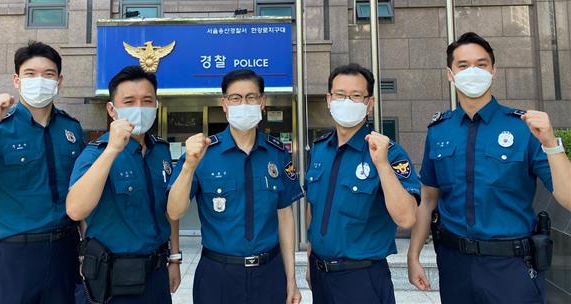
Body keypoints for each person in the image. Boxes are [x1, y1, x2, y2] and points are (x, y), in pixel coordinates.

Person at [407, 32, 571, 303]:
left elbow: (567, 196)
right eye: (463, 65)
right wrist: (413, 256)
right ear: (450, 74)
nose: (473, 71)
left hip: (511, 268)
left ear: (493, 71)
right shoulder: (439, 131)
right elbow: (428, 200)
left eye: (481, 65)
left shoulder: (524, 128)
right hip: (455, 266)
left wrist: (552, 144)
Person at [0, 41, 85, 304]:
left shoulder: (72, 130)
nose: (40, 81)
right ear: (17, 80)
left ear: (59, 81)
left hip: (65, 252)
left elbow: (81, 191)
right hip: (15, 254)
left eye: (48, 74)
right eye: (30, 74)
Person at [167, 69, 303, 304]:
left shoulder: (277, 154)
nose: (244, 103)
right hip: (218, 274)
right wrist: (188, 166)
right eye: (235, 98)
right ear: (224, 104)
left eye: (251, 97)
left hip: (269, 272)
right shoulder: (203, 153)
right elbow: (174, 211)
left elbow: (285, 216)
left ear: (262, 102)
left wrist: (291, 278)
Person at [305, 63, 420, 304]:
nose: (346, 102)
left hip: (362, 278)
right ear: (328, 99)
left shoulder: (389, 153)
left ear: (370, 102)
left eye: (356, 96)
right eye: (339, 95)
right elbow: (313, 210)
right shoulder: (319, 150)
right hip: (320, 275)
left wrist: (383, 165)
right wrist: (309, 259)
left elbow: (407, 218)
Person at [67, 65, 180, 304]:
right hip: (114, 278)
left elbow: (169, 209)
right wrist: (113, 150)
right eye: (129, 101)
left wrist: (174, 258)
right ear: (112, 109)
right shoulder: (95, 153)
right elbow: (76, 209)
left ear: (156, 105)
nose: (139, 108)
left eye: (147, 100)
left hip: (157, 273)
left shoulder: (160, 151)